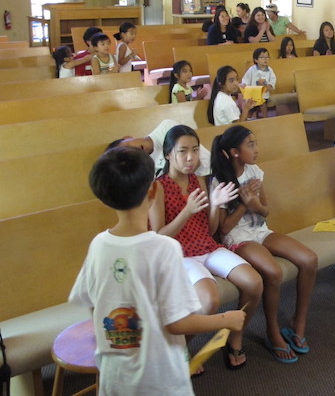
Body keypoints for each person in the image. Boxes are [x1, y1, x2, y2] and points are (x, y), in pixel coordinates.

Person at [69, 147, 246, 395]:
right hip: (158, 375)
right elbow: (177, 323)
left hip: (114, 372)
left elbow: (91, 302)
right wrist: (227, 320)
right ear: (153, 191)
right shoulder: (164, 248)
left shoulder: (98, 244)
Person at [148, 126, 262, 370]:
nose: (190, 158)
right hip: (178, 254)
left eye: (195, 150)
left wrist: (215, 205)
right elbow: (158, 237)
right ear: (168, 154)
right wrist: (186, 211)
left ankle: (235, 337)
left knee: (254, 283)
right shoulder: (158, 187)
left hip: (207, 246)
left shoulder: (199, 181)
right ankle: (180, 348)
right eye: (182, 151)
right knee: (210, 300)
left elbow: (209, 230)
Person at [211, 125, 318, 363]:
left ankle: (298, 323)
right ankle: (272, 331)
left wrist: (254, 204)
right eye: (250, 145)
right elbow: (223, 229)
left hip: (260, 230)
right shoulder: (221, 180)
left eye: (255, 143)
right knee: (274, 272)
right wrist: (244, 204)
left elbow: (265, 211)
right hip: (237, 238)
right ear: (234, 151)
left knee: (309, 260)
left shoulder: (255, 171)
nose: (256, 149)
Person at [106, 119, 211, 177]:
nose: (135, 150)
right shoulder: (147, 169)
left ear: (127, 137)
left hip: (210, 174)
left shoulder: (166, 128)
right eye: (130, 155)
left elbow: (201, 161)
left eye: (128, 146)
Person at [240, 48, 275, 119]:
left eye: (267, 57)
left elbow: (272, 80)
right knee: (250, 106)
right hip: (253, 95)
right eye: (262, 57)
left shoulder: (270, 70)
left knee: (263, 103)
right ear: (256, 60)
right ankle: (248, 118)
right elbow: (246, 79)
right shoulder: (252, 69)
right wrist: (244, 84)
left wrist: (269, 85)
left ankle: (265, 118)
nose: (265, 59)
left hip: (264, 94)